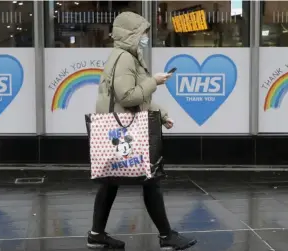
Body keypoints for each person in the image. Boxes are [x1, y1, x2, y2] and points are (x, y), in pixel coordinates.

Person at [87, 12, 197, 250]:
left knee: (110, 181)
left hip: (116, 130)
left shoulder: (123, 56)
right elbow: (128, 97)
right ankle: (167, 237)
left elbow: (138, 98)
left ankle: (96, 234)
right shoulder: (125, 58)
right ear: (132, 34)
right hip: (126, 131)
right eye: (144, 32)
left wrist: (163, 115)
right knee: (151, 179)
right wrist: (153, 81)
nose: (146, 37)